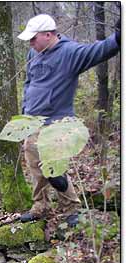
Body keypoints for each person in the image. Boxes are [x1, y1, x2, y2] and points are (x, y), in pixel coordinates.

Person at [18, 14, 120, 227]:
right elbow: (29, 83)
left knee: (54, 169)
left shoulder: (70, 53)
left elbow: (99, 51)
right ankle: (40, 206)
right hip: (32, 121)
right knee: (34, 166)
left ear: (48, 34)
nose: (30, 43)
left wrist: (119, 37)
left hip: (57, 123)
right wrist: (25, 112)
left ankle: (71, 209)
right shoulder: (33, 53)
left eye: (33, 38)